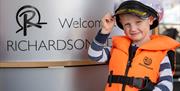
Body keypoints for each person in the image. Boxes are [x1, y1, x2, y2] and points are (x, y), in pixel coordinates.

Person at [88, 0, 180, 91]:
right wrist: (105, 31)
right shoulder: (116, 49)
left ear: (151, 20)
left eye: (138, 22)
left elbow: (167, 85)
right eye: (127, 24)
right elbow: (94, 55)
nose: (133, 29)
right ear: (122, 26)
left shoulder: (162, 55)